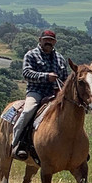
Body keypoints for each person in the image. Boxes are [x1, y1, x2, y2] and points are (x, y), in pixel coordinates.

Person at [12, 29, 69, 160]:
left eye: (51, 40)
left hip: (55, 94)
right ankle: (17, 143)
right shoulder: (31, 55)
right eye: (46, 40)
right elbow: (26, 73)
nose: (48, 42)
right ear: (40, 40)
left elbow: (65, 78)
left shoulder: (60, 58)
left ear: (55, 42)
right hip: (36, 91)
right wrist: (45, 77)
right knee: (28, 111)